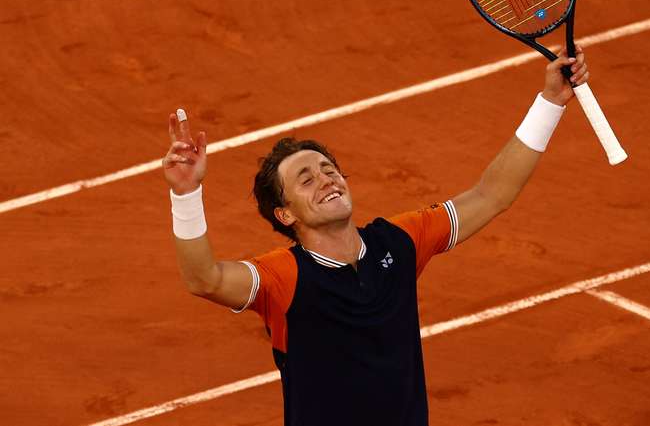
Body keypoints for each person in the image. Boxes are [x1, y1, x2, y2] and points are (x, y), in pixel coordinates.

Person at [163, 47, 589, 426]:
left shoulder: (398, 242)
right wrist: (186, 194)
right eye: (306, 179)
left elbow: (492, 194)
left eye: (329, 169)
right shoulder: (284, 278)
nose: (326, 180)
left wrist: (550, 101)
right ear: (285, 213)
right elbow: (205, 279)